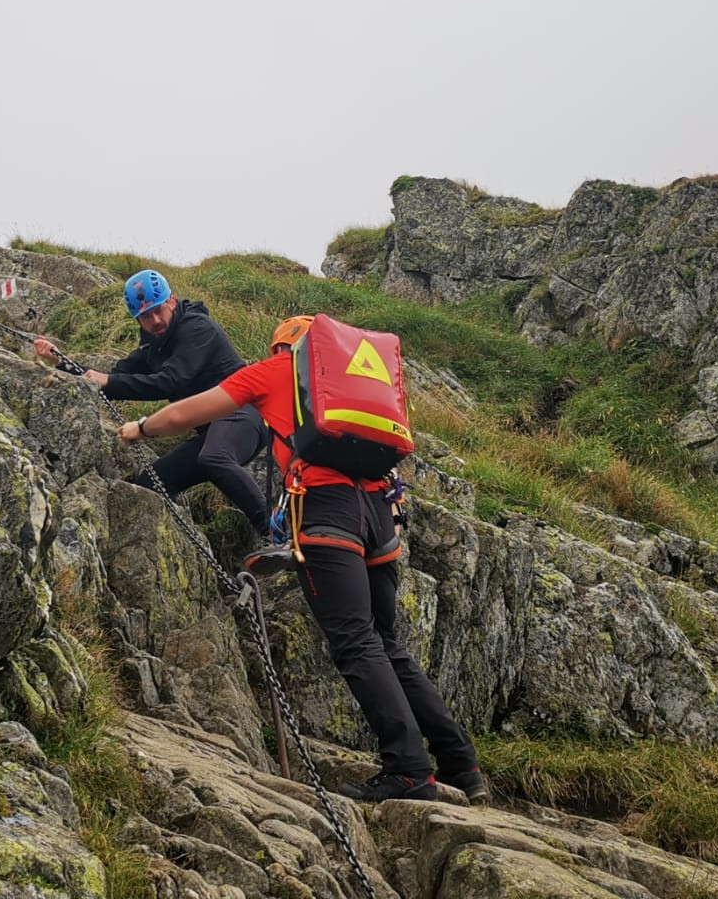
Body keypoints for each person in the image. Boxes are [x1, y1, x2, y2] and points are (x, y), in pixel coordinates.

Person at [117, 314, 488, 805]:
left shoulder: (274, 372)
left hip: (326, 510)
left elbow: (188, 414)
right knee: (387, 643)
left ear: (282, 346)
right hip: (381, 512)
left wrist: (139, 428)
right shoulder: (357, 384)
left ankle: (408, 768)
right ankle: (461, 764)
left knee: (355, 642)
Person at [34, 269, 273, 537]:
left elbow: (171, 381)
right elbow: (113, 378)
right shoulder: (152, 346)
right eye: (146, 316)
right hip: (211, 430)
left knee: (215, 456)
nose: (155, 320)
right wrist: (61, 362)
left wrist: (108, 382)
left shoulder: (197, 327)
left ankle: (275, 530)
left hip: (244, 413)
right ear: (137, 318)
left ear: (171, 301)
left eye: (159, 310)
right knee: (151, 482)